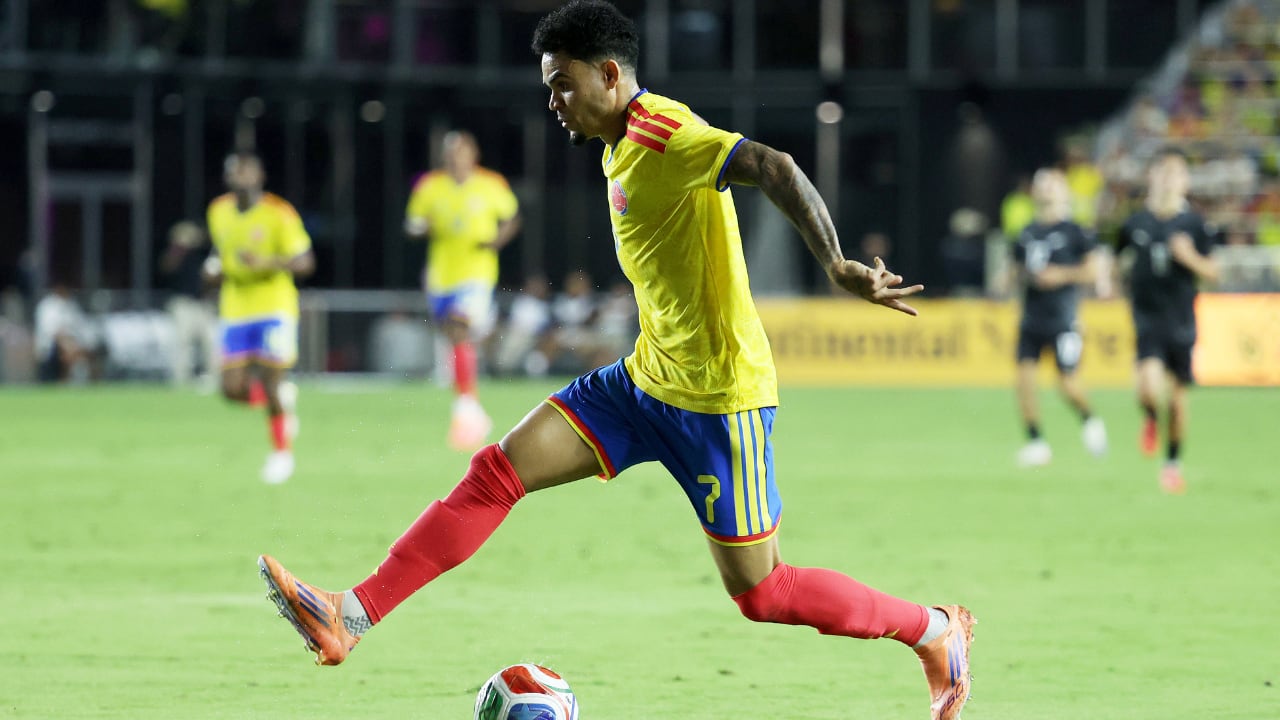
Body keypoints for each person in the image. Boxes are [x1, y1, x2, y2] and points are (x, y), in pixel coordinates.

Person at [257, 3, 974, 719]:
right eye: (547, 85)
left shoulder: (663, 131)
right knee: (496, 472)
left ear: (608, 74)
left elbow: (771, 164)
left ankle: (934, 631)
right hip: (641, 383)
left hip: (719, 401)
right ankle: (350, 615)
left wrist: (839, 265)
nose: (553, 101)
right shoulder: (617, 146)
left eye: (563, 83)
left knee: (764, 593)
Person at [405, 130, 522, 451]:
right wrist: (420, 228)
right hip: (441, 275)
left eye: (462, 151)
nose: (456, 158)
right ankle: (470, 407)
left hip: (476, 274)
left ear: (473, 154)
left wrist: (497, 240)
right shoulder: (430, 186)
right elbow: (412, 223)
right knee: (453, 336)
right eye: (451, 152)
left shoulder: (491, 184)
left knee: (459, 329)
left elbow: (511, 217)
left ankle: (466, 407)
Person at [206, 151, 314, 484]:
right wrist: (213, 269)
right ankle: (281, 401)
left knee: (271, 379)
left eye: (246, 171)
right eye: (234, 172)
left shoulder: (279, 213)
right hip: (236, 308)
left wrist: (267, 263)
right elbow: (222, 253)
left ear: (259, 176)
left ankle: (281, 454)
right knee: (230, 388)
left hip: (274, 308)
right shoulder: (218, 211)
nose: (240, 177)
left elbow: (305, 262)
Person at [1117, 148, 1218, 494]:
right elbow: (1118, 260)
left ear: (1185, 181)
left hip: (1181, 319)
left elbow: (1214, 272)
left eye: (1175, 173)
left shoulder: (1195, 224)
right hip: (1147, 317)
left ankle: (1172, 464)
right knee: (1147, 389)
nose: (1167, 179)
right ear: (1151, 177)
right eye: (1161, 172)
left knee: (1176, 400)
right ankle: (1149, 418)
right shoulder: (1135, 223)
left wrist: (1188, 257)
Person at [1011, 168, 1108, 467]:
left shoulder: (1076, 232)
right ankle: (1036, 442)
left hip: (1063, 318)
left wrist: (1060, 275)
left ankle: (1090, 419)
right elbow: (1016, 270)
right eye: (1042, 186)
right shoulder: (1026, 233)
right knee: (1024, 381)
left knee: (1066, 384)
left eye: (1053, 186)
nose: (1047, 191)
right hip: (1031, 317)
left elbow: (1092, 271)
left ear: (1063, 192)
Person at [160, 220, 220, 389]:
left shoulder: (203, 253)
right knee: (182, 344)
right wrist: (179, 247)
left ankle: (213, 380)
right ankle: (180, 381)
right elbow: (166, 268)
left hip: (203, 304)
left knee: (211, 342)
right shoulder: (176, 254)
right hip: (182, 303)